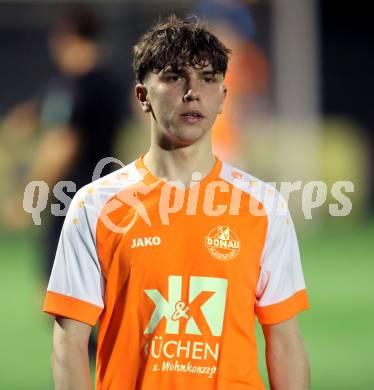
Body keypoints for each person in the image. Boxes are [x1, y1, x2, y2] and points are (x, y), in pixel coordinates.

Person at [43, 15, 310, 390]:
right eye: (173, 77)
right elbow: (68, 344)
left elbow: (284, 340)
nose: (192, 92)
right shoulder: (95, 206)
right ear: (142, 95)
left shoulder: (264, 207)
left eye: (208, 78)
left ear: (223, 97)